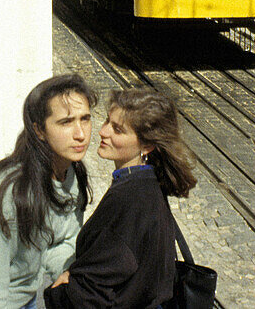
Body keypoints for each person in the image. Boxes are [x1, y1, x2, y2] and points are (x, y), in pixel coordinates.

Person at [0, 74, 97, 309]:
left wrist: (67, 269)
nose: (81, 134)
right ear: (39, 130)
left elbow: (60, 241)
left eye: (85, 119)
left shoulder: (73, 175)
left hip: (25, 299)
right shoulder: (13, 193)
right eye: (66, 122)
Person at [43, 86, 197, 309]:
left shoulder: (130, 200)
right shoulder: (147, 184)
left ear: (147, 145)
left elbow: (93, 291)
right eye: (107, 121)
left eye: (118, 129)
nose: (103, 132)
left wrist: (61, 290)